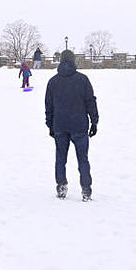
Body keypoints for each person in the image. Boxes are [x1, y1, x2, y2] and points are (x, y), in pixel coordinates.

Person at [44, 50, 99, 201]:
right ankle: (86, 189)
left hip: (60, 125)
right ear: (74, 61)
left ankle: (61, 186)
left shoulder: (53, 82)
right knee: (83, 159)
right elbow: (90, 101)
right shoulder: (82, 80)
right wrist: (94, 122)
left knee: (60, 158)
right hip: (79, 125)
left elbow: (49, 106)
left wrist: (50, 125)